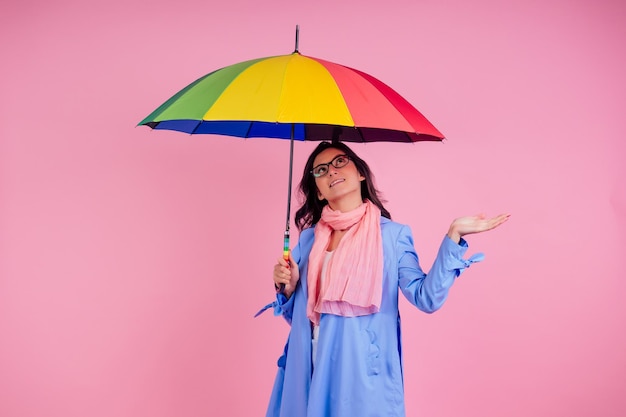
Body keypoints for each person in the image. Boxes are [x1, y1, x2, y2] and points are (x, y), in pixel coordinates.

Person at [258, 141, 509, 417]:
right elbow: (299, 318)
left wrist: (453, 236)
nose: (331, 171)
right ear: (317, 191)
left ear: (360, 173)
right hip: (307, 366)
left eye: (340, 162)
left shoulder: (392, 236)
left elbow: (427, 297)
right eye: (321, 170)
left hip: (359, 375)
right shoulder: (308, 241)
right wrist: (289, 288)